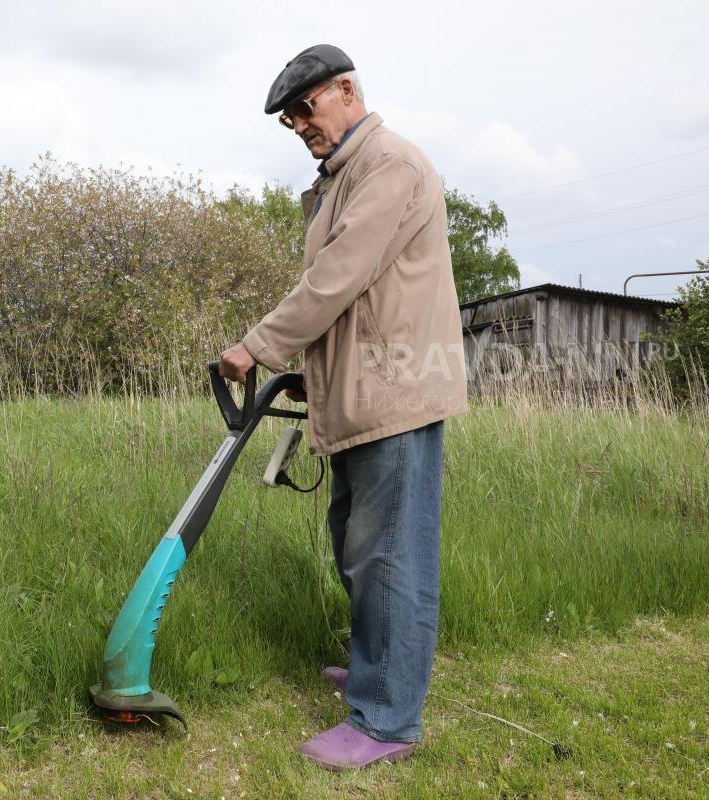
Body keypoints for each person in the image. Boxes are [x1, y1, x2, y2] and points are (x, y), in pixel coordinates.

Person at [218, 44, 468, 771]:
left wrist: (258, 346)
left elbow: (338, 278)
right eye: (290, 119)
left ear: (347, 91)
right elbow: (360, 301)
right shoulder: (348, 175)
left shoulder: (388, 165)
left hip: (396, 392)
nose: (300, 124)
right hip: (362, 388)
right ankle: (373, 672)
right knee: (357, 544)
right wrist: (309, 374)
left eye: (307, 107)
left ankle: (387, 720)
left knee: (390, 557)